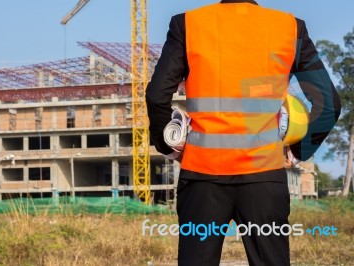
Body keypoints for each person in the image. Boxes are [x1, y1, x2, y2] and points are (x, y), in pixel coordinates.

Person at [146, 0, 341, 265]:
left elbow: (157, 96)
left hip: (202, 176)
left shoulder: (188, 24)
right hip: (264, 176)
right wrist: (297, 152)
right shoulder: (289, 27)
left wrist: (167, 145)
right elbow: (328, 104)